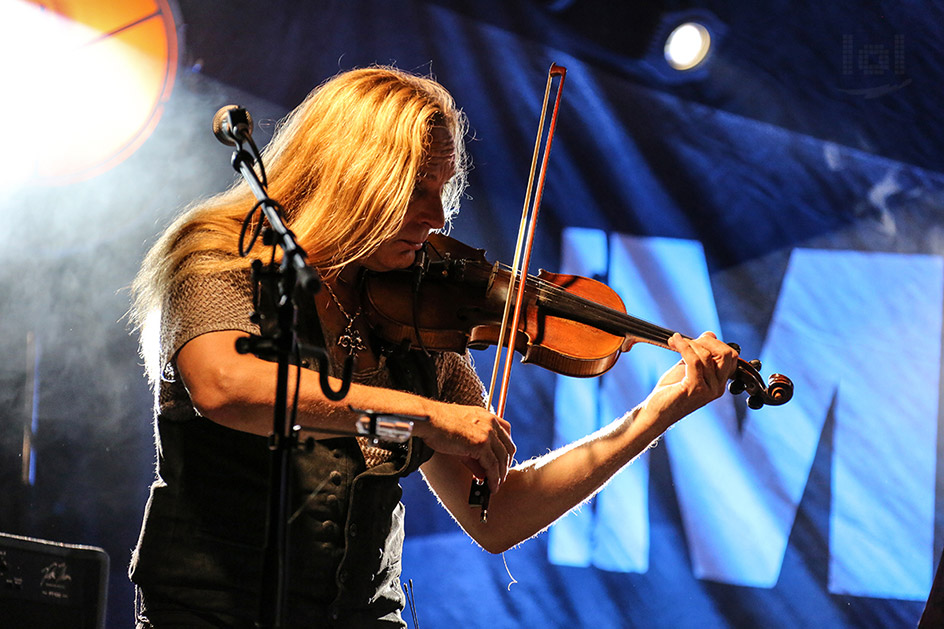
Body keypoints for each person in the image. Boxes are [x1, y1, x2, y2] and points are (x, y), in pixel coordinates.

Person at [128, 66, 738, 628]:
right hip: (210, 615)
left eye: (443, 189)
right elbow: (228, 388)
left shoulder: (417, 311)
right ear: (352, 177)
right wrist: (427, 417)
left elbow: (495, 514)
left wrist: (653, 416)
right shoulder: (223, 255)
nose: (438, 216)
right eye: (417, 188)